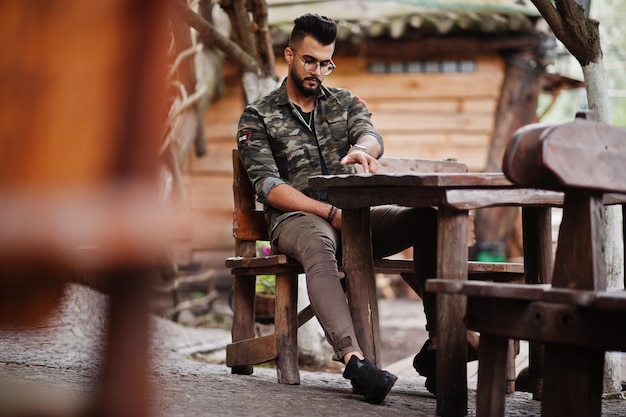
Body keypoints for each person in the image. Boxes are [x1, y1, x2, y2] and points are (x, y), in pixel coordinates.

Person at [236, 13, 442, 403]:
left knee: (425, 221)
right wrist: (330, 215)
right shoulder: (258, 115)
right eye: (309, 61)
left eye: (326, 63)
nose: (318, 71)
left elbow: (370, 133)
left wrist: (363, 149)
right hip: (296, 221)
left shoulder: (344, 102)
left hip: (355, 218)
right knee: (319, 243)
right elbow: (268, 186)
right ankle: (354, 362)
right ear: (289, 55)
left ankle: (436, 345)